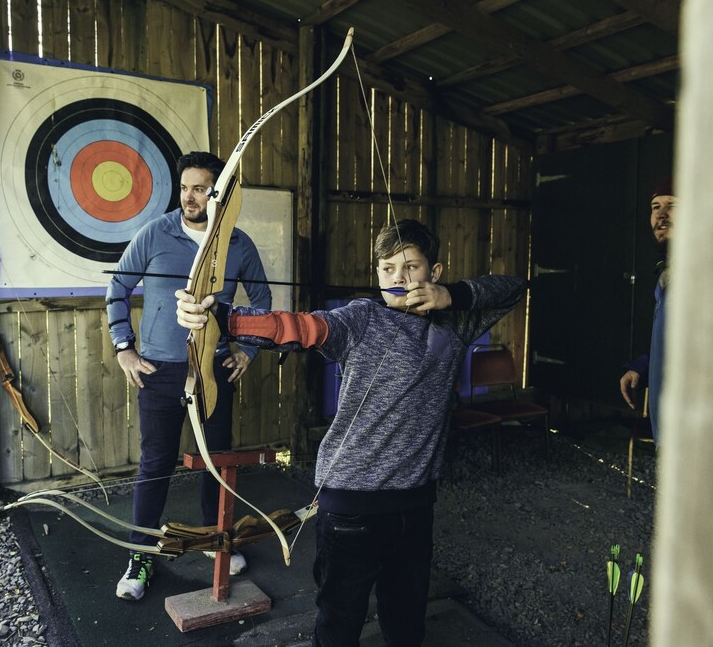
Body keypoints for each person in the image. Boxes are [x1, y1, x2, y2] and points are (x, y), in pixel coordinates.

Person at [176, 219, 526, 645]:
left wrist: (453, 295)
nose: (399, 277)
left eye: (412, 266)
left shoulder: (455, 323)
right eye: (388, 269)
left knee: (406, 617)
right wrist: (222, 318)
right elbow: (301, 328)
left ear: (434, 273)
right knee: (340, 622)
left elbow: (514, 286)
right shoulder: (361, 318)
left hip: (415, 504)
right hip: (351, 507)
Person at [106, 151, 272, 601]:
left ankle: (215, 542)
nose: (190, 196)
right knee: (155, 464)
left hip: (212, 369)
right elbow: (117, 287)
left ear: (218, 193)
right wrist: (124, 348)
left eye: (201, 188)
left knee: (217, 461)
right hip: (159, 370)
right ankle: (140, 555)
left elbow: (262, 300)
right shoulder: (155, 234)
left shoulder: (238, 245)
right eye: (185, 187)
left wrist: (249, 349)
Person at [620, 177, 674, 445]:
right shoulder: (665, 274)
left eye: (672, 205)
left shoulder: (706, 276)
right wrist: (643, 367)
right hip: (665, 427)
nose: (661, 215)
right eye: (655, 207)